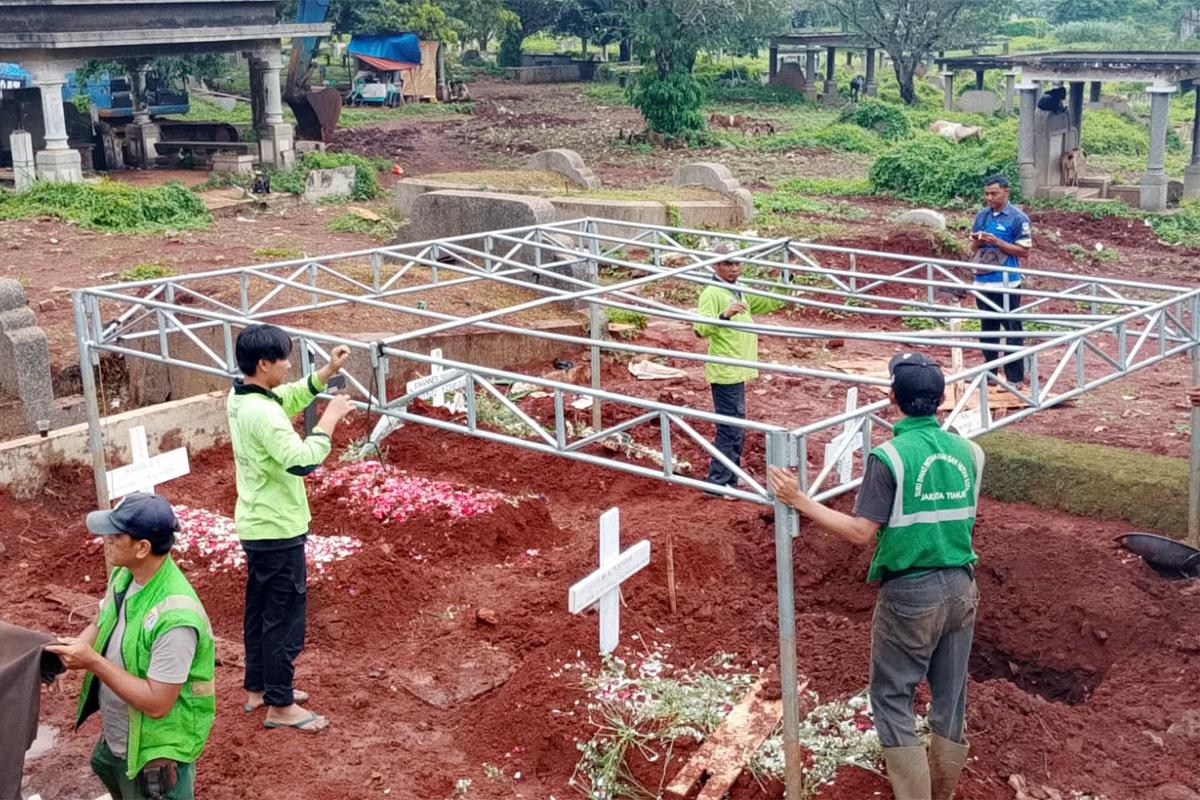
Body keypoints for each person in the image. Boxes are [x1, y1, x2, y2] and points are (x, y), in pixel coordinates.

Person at [768, 353, 984, 800]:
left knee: (891, 697)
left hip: (912, 592)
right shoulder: (971, 453)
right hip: (962, 587)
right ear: (942, 400)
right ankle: (941, 792)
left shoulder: (889, 457)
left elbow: (860, 532)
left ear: (892, 398)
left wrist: (799, 500)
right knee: (950, 697)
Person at [47, 493, 215, 800]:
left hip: (154, 753)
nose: (106, 540)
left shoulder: (175, 617)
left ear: (142, 548)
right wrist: (63, 659)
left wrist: (92, 661)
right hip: (124, 739)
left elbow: (157, 703)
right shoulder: (126, 576)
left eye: (116, 535)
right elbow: (102, 621)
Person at [228, 325, 354, 733]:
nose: (288, 366)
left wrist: (324, 374)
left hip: (257, 524)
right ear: (264, 364)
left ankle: (260, 687)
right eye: (284, 360)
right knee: (284, 617)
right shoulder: (264, 414)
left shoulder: (244, 396)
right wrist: (329, 421)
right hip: (278, 529)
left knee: (261, 611)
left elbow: (288, 396)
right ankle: (280, 705)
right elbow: (300, 460)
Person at [693, 242, 787, 495]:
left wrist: (784, 280)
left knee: (735, 426)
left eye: (737, 263)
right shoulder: (712, 292)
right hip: (726, 371)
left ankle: (727, 478)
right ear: (715, 265)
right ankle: (718, 483)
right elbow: (700, 328)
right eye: (728, 263)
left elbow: (768, 302)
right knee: (731, 428)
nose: (735, 268)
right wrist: (724, 316)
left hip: (737, 369)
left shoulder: (739, 290)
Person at [969, 174, 1032, 384]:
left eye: (994, 193)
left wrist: (998, 243)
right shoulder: (982, 215)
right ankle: (990, 373)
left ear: (1006, 191)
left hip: (1007, 283)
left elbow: (1024, 251)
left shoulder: (1017, 218)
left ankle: (1014, 377)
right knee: (988, 329)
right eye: (986, 194)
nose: (989, 198)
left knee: (1013, 330)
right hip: (983, 280)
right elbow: (972, 246)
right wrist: (977, 241)